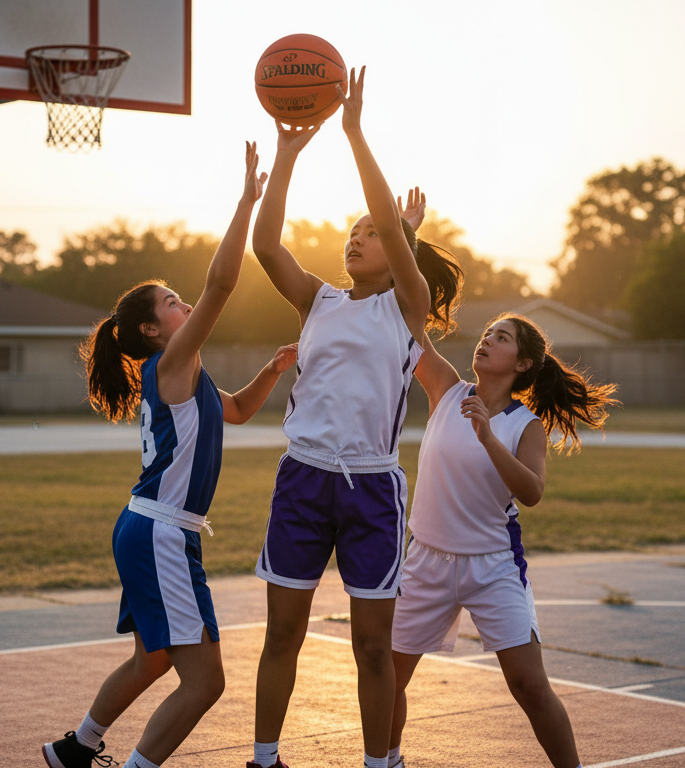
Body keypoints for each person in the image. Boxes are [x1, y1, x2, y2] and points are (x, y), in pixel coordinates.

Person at [42, 142, 298, 768]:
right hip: (159, 531)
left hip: (149, 526)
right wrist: (247, 201)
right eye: (172, 301)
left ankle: (77, 748)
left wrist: (270, 372)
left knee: (153, 657)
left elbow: (233, 411)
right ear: (155, 329)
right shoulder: (172, 361)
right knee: (205, 682)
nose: (187, 303)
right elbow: (221, 281)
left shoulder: (188, 371)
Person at [247, 67, 463, 768]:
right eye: (351, 232)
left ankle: (379, 762)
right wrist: (287, 153)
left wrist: (354, 131)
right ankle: (264, 756)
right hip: (304, 478)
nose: (355, 238)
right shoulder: (319, 300)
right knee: (283, 634)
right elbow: (266, 246)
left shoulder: (406, 303)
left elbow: (394, 233)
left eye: (372, 233)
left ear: (399, 245)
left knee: (373, 645)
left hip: (370, 486)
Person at [389, 313, 618, 768]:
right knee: (388, 680)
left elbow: (531, 492)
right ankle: (387, 761)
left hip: (492, 568)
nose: (487, 340)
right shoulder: (446, 388)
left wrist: (487, 437)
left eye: (502, 337)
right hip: (425, 562)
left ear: (522, 363)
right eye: (487, 332)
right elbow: (408, 326)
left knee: (531, 686)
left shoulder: (525, 425)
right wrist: (402, 246)